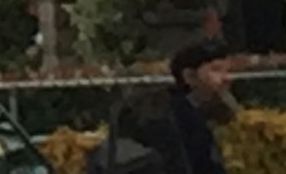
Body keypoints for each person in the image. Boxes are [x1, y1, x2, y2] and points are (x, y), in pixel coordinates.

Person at [89, 38, 236, 174]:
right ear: (189, 76)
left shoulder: (196, 111)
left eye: (228, 71)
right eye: (216, 70)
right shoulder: (171, 117)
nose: (226, 78)